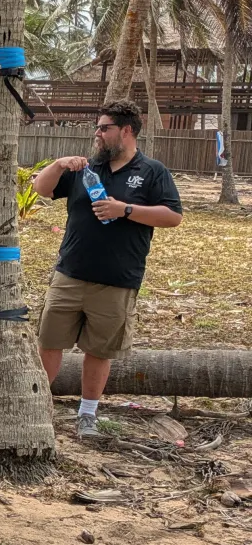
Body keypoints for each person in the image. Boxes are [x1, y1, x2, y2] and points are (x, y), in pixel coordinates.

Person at [31, 100, 182, 438]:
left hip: (117, 280)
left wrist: (124, 209)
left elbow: (173, 216)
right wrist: (57, 165)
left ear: (126, 131)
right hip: (69, 274)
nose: (97, 134)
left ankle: (88, 415)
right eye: (97, 128)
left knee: (99, 350)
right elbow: (41, 189)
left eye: (104, 127)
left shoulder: (152, 172)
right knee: (50, 342)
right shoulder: (85, 168)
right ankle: (38, 406)